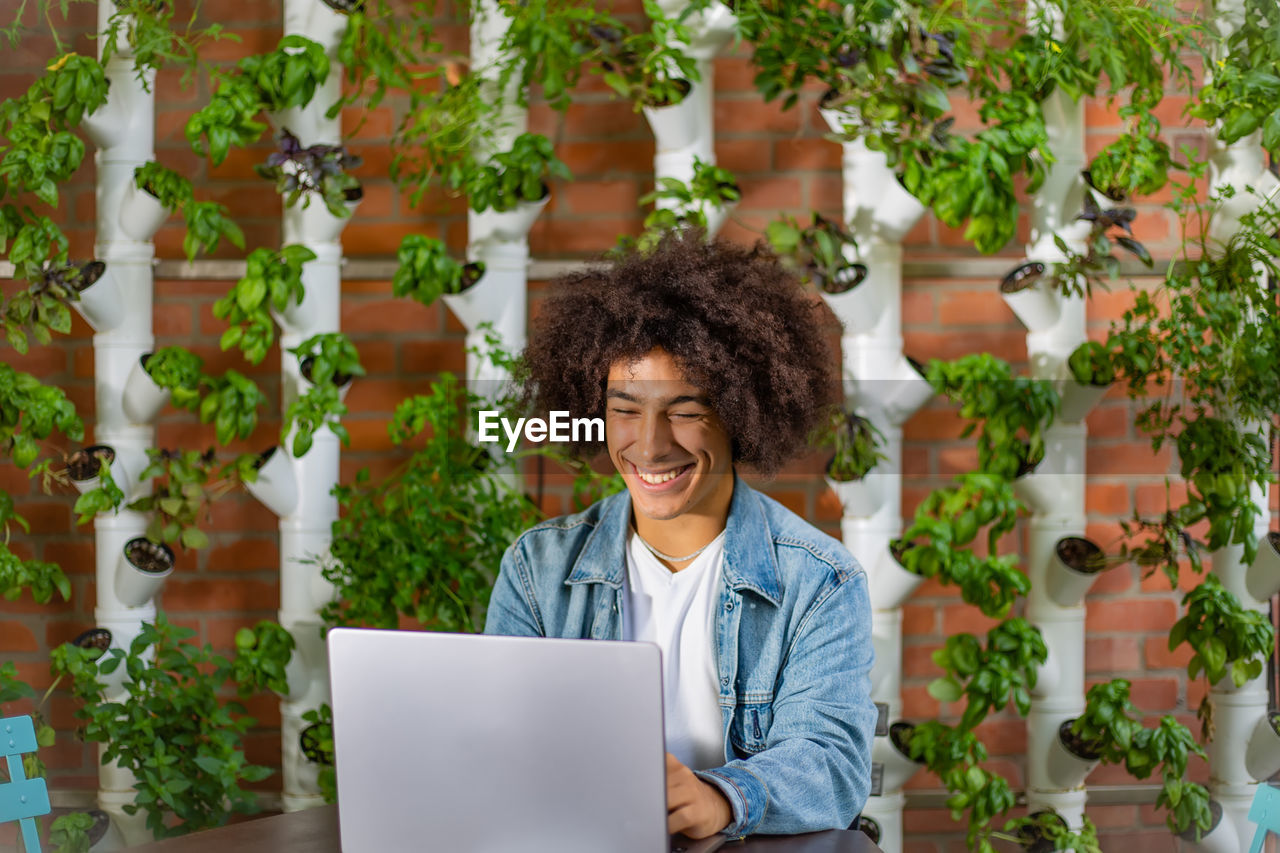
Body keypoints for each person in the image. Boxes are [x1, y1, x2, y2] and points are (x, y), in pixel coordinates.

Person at [484, 230, 876, 839]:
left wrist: (720, 798)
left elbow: (831, 764)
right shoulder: (538, 569)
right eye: (624, 408)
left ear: (743, 413)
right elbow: (498, 745)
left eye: (686, 410)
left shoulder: (819, 581)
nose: (648, 444)